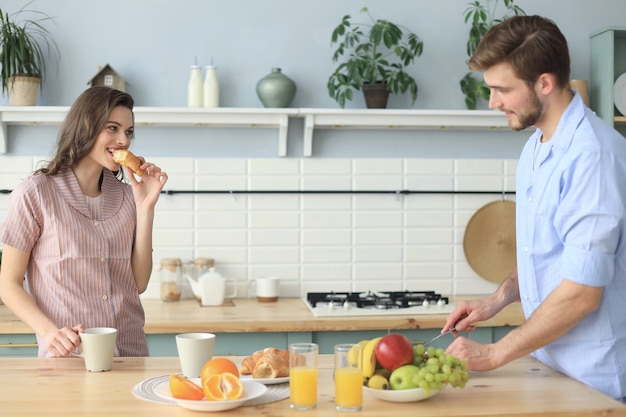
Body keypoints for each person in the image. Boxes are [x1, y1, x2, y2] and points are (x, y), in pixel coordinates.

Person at [442, 15, 626, 402]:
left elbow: (582, 293)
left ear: (544, 82)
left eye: (502, 90)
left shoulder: (592, 157)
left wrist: (495, 353)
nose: (493, 102)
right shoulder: (537, 146)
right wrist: (496, 301)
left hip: (598, 383)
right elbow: (544, 255)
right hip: (551, 368)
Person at [0, 86, 168, 358]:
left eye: (128, 131)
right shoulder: (35, 193)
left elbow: (138, 283)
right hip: (70, 357)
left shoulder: (128, 197)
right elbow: (7, 283)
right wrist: (49, 332)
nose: (123, 140)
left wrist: (145, 208)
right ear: (85, 127)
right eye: (112, 128)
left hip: (130, 352)